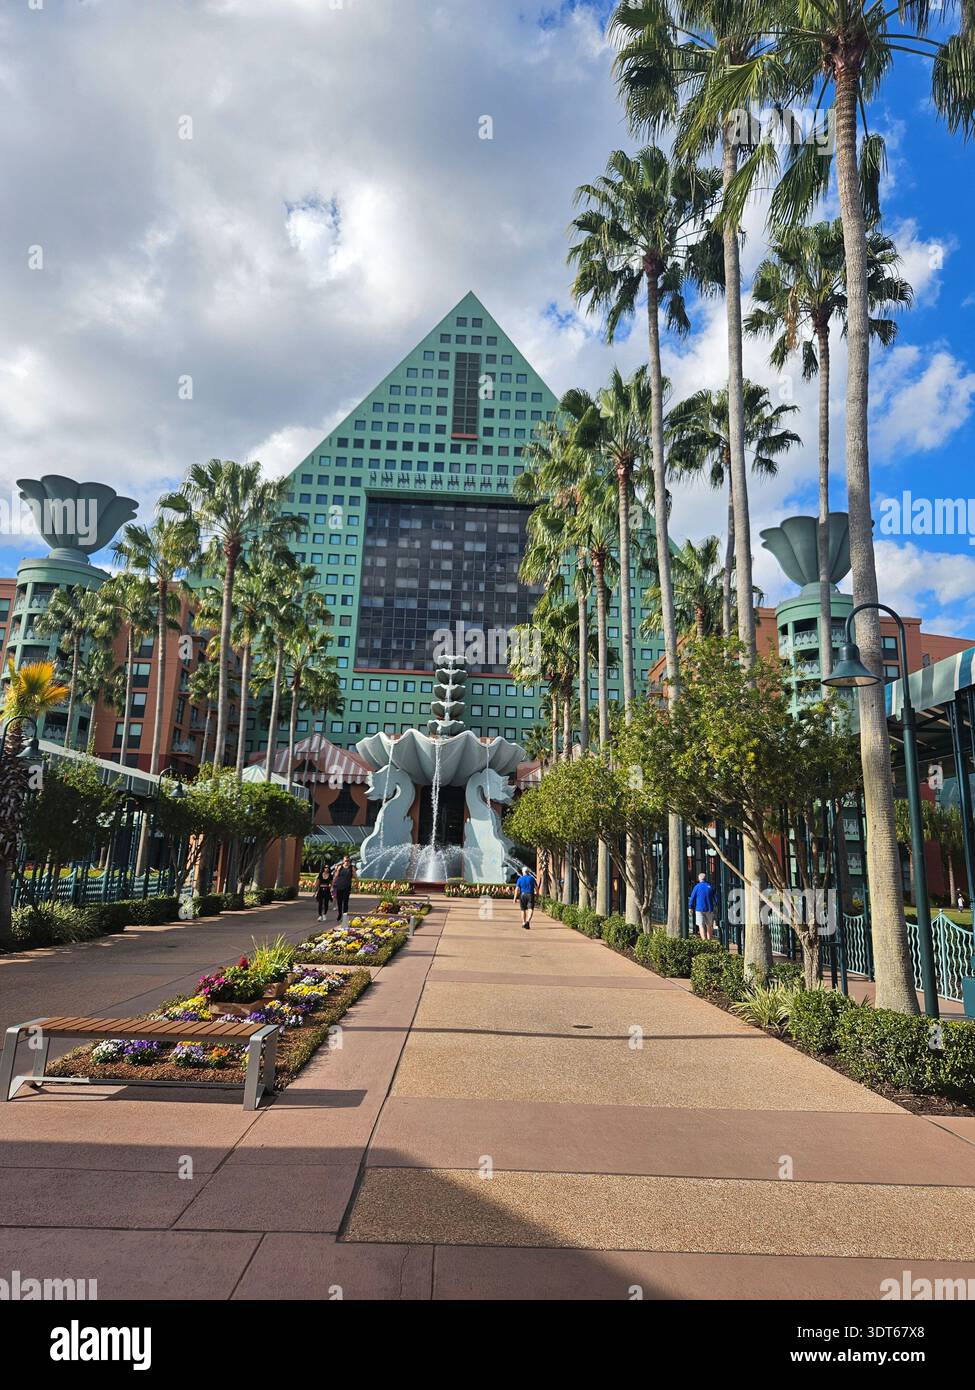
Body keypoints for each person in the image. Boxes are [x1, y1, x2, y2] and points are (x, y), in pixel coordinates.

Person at [688, 872, 716, 940]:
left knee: (701, 925)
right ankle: (709, 939)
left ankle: (704, 940)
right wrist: (717, 906)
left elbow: (692, 898)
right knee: (709, 925)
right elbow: (716, 898)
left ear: (699, 879)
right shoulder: (710, 886)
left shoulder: (696, 887)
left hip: (699, 908)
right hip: (709, 908)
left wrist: (690, 907)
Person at [513, 865, 538, 929]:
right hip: (530, 894)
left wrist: (515, 898)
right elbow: (536, 888)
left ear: (523, 872)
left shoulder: (520, 879)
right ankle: (527, 921)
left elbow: (517, 889)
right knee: (530, 909)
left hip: (523, 895)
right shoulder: (532, 878)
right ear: (528, 872)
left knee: (523, 909)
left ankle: (523, 922)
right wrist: (537, 894)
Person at [333, 855, 354, 923]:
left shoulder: (351, 868)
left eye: (348, 861)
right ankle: (339, 914)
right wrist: (333, 884)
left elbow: (355, 876)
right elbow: (336, 876)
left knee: (345, 902)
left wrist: (356, 883)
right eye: (345, 861)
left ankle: (345, 918)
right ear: (343, 861)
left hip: (347, 888)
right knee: (339, 902)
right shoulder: (340, 867)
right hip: (339, 887)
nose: (347, 862)